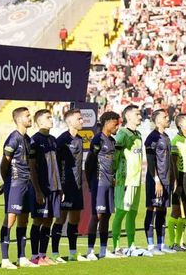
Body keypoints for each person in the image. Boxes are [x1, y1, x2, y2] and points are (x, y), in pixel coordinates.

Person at [0, 107, 39, 269]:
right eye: (27, 116)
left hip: (26, 184)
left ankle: (22, 257)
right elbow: (4, 163)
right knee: (11, 218)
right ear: (18, 119)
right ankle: (4, 259)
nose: (30, 118)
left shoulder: (28, 139)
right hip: (15, 184)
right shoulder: (13, 138)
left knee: (23, 220)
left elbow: (31, 164)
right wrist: (7, 181)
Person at [51, 110, 87, 262]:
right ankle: (54, 253)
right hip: (65, 186)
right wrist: (60, 187)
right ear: (70, 121)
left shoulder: (79, 139)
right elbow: (55, 165)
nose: (82, 121)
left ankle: (73, 252)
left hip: (77, 186)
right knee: (60, 219)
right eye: (79, 119)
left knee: (75, 220)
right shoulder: (62, 140)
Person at [29, 109, 63, 266]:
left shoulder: (53, 140)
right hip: (43, 188)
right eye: (48, 117)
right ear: (40, 121)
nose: (52, 120)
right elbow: (32, 167)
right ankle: (34, 256)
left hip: (55, 188)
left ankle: (43, 255)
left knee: (48, 221)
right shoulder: (35, 140)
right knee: (38, 221)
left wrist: (60, 188)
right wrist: (37, 189)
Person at [85, 111, 121, 260]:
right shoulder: (98, 140)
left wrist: (113, 177)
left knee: (106, 216)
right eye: (116, 123)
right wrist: (90, 182)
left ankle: (104, 250)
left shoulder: (112, 141)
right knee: (97, 216)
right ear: (107, 122)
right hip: (98, 183)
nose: (117, 127)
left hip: (109, 184)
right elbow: (89, 163)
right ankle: (90, 251)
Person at [112, 105, 144, 255]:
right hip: (125, 180)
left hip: (137, 180)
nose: (140, 116)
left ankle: (131, 245)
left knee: (132, 213)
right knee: (121, 212)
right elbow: (115, 156)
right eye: (137, 114)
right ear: (129, 117)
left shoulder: (138, 134)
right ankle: (116, 246)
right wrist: (115, 175)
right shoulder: (122, 134)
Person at [143, 109, 175, 255]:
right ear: (157, 121)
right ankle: (150, 245)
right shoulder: (152, 138)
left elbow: (170, 161)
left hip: (166, 180)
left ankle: (161, 244)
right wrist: (156, 180)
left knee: (162, 210)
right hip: (155, 180)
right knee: (152, 209)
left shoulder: (166, 137)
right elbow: (151, 162)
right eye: (165, 117)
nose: (168, 118)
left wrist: (172, 178)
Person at [166, 114, 186, 251]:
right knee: (176, 211)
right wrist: (176, 182)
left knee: (185, 211)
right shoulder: (176, 141)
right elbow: (173, 164)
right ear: (180, 124)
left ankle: (181, 242)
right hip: (181, 178)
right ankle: (173, 243)